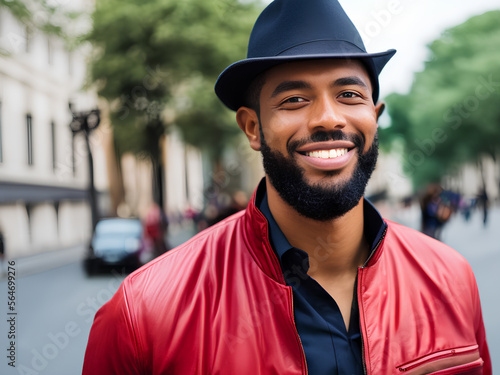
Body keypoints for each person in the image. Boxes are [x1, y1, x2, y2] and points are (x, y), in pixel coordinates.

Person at [83, 1, 491, 374]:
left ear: (375, 115)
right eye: (294, 100)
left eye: (349, 94)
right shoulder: (143, 313)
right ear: (253, 127)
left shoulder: (452, 279)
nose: (329, 119)